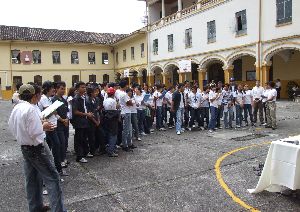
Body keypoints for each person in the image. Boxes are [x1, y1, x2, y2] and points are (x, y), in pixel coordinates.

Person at [8, 84, 66, 212]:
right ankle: (59, 209)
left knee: (32, 179)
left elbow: (11, 126)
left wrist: (36, 126)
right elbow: (35, 131)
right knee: (53, 178)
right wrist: (44, 126)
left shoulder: (17, 107)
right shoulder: (30, 109)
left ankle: (35, 207)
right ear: (35, 96)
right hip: (36, 147)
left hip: (25, 147)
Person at [72, 81, 94, 163]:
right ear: (77, 89)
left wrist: (88, 114)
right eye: (82, 87)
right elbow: (75, 111)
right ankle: (79, 156)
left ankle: (85, 153)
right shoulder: (76, 98)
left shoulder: (84, 97)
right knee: (79, 139)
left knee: (84, 138)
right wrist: (86, 114)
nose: (84, 88)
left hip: (85, 121)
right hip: (79, 122)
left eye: (85, 87)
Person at [52, 81, 69, 168]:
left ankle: (64, 158)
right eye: (61, 89)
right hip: (59, 124)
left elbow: (67, 111)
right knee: (61, 142)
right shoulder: (54, 99)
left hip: (65, 123)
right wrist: (63, 120)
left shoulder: (64, 99)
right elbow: (54, 113)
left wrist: (67, 119)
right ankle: (60, 160)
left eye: (64, 89)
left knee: (65, 142)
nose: (63, 90)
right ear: (56, 89)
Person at [119, 80, 136, 152]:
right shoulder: (123, 94)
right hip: (126, 112)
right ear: (125, 85)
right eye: (127, 85)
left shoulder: (122, 93)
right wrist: (133, 101)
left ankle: (129, 143)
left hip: (127, 111)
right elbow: (129, 103)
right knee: (126, 129)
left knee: (129, 128)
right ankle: (124, 145)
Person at [103, 87, 120, 157]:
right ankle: (111, 150)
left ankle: (110, 148)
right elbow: (116, 108)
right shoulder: (113, 101)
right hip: (113, 118)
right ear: (113, 94)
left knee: (109, 133)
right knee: (113, 135)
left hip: (106, 118)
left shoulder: (105, 100)